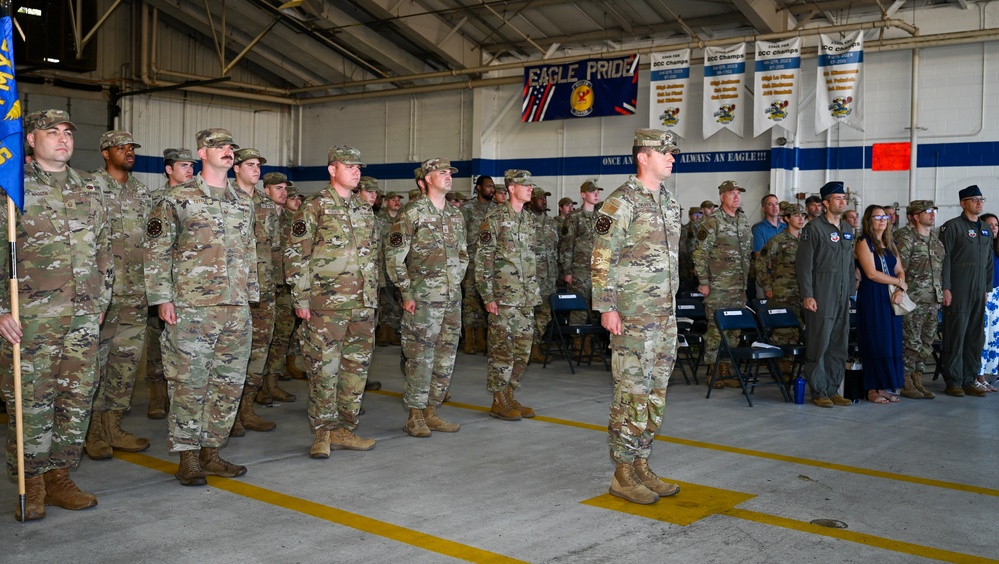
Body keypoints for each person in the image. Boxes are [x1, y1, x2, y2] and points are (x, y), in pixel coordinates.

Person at [0, 110, 113, 521]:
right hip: (29, 319)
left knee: (76, 401)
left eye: (68, 132)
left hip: (83, 319)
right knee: (30, 403)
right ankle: (31, 484)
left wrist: (101, 300)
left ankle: (60, 475)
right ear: (30, 140)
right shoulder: (11, 187)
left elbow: (104, 250)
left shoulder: (90, 188)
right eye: (52, 132)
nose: (62, 139)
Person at [146, 128, 258, 486]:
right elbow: (157, 250)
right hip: (192, 308)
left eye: (230, 147)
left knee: (227, 384)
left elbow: (250, 252)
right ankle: (188, 456)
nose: (227, 151)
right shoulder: (178, 199)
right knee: (189, 384)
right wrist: (162, 298)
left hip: (235, 308)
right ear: (201, 153)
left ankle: (211, 450)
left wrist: (249, 296)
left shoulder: (243, 201)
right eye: (220, 146)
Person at [591, 128, 682, 505]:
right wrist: (606, 307)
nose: (672, 157)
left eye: (673, 152)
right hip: (631, 317)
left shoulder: (670, 202)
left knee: (656, 393)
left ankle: (642, 462)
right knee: (631, 394)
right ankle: (622, 473)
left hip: (664, 316)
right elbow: (602, 257)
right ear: (643, 156)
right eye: (665, 152)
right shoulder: (620, 201)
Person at [286, 146, 379, 459]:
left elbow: (371, 257)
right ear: (332, 169)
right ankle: (323, 433)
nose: (356, 171)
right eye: (349, 166)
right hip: (326, 305)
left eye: (358, 167)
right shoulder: (315, 206)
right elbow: (297, 255)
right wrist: (300, 298)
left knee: (356, 369)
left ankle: (344, 428)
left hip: (362, 305)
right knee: (324, 370)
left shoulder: (364, 209)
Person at [386, 158, 468, 437]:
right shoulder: (412, 213)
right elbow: (394, 257)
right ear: (425, 180)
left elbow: (464, 255)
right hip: (422, 299)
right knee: (420, 357)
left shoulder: (455, 215)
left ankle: (432, 410)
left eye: (449, 173)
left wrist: (455, 284)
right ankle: (415, 415)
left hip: (450, 299)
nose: (448, 176)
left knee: (446, 356)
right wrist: (407, 292)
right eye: (441, 173)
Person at [86, 130, 152, 460]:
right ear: (104, 152)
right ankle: (93, 432)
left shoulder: (142, 193)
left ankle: (114, 426)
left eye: (131, 147)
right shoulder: (89, 188)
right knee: (94, 364)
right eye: (121, 147)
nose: (128, 152)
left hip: (135, 294)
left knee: (125, 365)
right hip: (102, 296)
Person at [475, 169, 541, 421]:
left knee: (522, 349)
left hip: (526, 297)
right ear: (512, 188)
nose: (530, 189)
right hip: (503, 297)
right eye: (525, 186)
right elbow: (483, 260)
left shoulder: (529, 220)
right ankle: (498, 398)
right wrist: (487, 296)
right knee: (502, 349)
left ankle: (510, 393)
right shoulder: (494, 218)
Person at [145, 148, 197, 419]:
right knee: (156, 341)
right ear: (168, 169)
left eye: (191, 165)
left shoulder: (199, 200)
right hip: (164, 281)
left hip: (190, 286)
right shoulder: (154, 199)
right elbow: (152, 243)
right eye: (183, 165)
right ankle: (157, 394)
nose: (189, 170)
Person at [795, 181, 855, 408]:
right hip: (821, 294)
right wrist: (807, 295)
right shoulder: (813, 229)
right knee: (819, 344)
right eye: (837, 198)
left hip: (841, 296)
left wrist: (851, 293)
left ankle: (833, 388)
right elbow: (804, 266)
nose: (842, 201)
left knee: (839, 343)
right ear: (826, 203)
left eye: (843, 198)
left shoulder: (847, 230)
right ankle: (819, 390)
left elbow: (850, 264)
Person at [693, 180, 753, 387]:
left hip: (739, 286)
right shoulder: (712, 222)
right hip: (718, 285)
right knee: (716, 328)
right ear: (722, 197)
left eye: (738, 193)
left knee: (734, 328)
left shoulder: (743, 221)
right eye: (731, 193)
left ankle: (727, 368)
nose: (736, 197)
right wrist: (703, 282)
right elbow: (700, 254)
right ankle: (713, 369)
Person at [939, 185, 993, 398]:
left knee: (975, 336)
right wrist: (946, 287)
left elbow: (988, 261)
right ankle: (954, 380)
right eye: (974, 200)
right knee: (956, 335)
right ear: (963, 203)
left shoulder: (985, 229)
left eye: (981, 199)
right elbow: (944, 260)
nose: (979, 203)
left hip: (979, 291)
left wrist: (987, 288)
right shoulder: (952, 227)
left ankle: (970, 379)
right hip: (959, 289)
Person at [855, 206, 907, 404]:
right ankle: (871, 389)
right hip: (873, 295)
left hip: (892, 297)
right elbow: (871, 273)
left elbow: (899, 270)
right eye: (877, 217)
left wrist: (901, 290)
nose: (882, 220)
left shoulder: (890, 242)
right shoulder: (863, 242)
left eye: (885, 216)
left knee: (890, 342)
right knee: (875, 340)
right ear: (869, 220)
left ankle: (883, 386)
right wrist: (898, 283)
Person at [261, 172, 308, 385]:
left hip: (287, 285)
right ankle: (259, 385)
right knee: (263, 338)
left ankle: (272, 382)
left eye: (285, 188)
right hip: (265, 285)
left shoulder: (293, 219)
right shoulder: (260, 216)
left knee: (283, 335)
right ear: (266, 191)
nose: (284, 193)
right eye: (278, 188)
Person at [896, 200, 944, 399]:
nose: (933, 215)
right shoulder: (904, 238)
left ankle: (918, 378)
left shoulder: (936, 241)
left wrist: (939, 295)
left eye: (934, 211)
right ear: (915, 216)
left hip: (932, 300)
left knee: (926, 342)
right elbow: (899, 270)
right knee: (911, 342)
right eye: (928, 211)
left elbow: (939, 271)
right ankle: (905, 380)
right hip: (911, 300)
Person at [756, 202, 806, 346]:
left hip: (802, 291)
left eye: (803, 215)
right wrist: (767, 286)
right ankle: (783, 361)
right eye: (796, 215)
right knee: (783, 329)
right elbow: (761, 263)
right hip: (782, 291)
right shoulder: (777, 241)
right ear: (786, 218)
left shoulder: (806, 241)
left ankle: (793, 359)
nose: (801, 219)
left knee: (799, 326)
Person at [558, 180, 602, 330]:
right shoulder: (574, 217)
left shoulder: (601, 217)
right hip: (579, 271)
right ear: (583, 195)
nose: (596, 194)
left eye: (597, 191)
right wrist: (567, 271)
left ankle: (591, 344)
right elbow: (567, 245)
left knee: (597, 308)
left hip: (598, 270)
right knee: (579, 309)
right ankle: (578, 345)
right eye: (592, 191)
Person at [461, 175, 495, 354]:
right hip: (472, 263)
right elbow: (459, 236)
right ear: (479, 188)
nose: (492, 189)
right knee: (470, 301)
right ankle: (470, 339)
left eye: (493, 187)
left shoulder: (496, 210)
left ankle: (482, 339)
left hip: (490, 264)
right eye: (488, 186)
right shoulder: (467, 209)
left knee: (486, 300)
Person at [529, 186, 559, 363]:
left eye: (545, 198)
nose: (543, 201)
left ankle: (535, 343)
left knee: (546, 313)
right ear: (531, 200)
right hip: (533, 276)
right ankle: (531, 348)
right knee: (530, 313)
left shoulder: (551, 223)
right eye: (540, 198)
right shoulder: (525, 221)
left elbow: (556, 248)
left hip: (549, 276)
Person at [375, 190, 404, 347]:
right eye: (393, 199)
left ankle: (394, 332)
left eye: (398, 199)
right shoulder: (380, 220)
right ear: (387, 202)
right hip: (384, 267)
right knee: (385, 301)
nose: (397, 202)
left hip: (399, 266)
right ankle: (384, 332)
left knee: (398, 300)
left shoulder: (404, 220)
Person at [978, 213, 999, 392]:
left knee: (994, 338)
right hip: (983, 294)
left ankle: (989, 376)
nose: (993, 227)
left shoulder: (996, 248)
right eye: (989, 224)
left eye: (995, 224)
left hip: (997, 296)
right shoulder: (979, 246)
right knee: (981, 337)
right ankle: (978, 375)